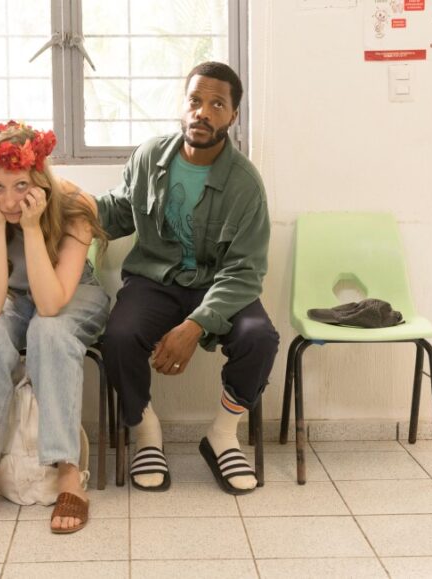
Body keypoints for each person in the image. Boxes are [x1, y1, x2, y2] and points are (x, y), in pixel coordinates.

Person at [95, 62, 280, 495]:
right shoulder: (148, 156)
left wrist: (196, 326)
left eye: (217, 104)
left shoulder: (246, 185)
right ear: (184, 105)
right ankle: (146, 433)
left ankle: (221, 435)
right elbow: (120, 211)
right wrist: (61, 200)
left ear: (233, 116)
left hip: (218, 284)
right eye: (195, 101)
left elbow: (245, 270)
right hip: (154, 280)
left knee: (260, 337)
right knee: (118, 337)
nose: (203, 112)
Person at [0, 121, 109, 534]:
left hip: (72, 296)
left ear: (38, 180)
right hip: (13, 296)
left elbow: (53, 303)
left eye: (20, 186)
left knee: (49, 331)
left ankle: (69, 473)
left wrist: (33, 227)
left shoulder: (74, 204)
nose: (9, 201)